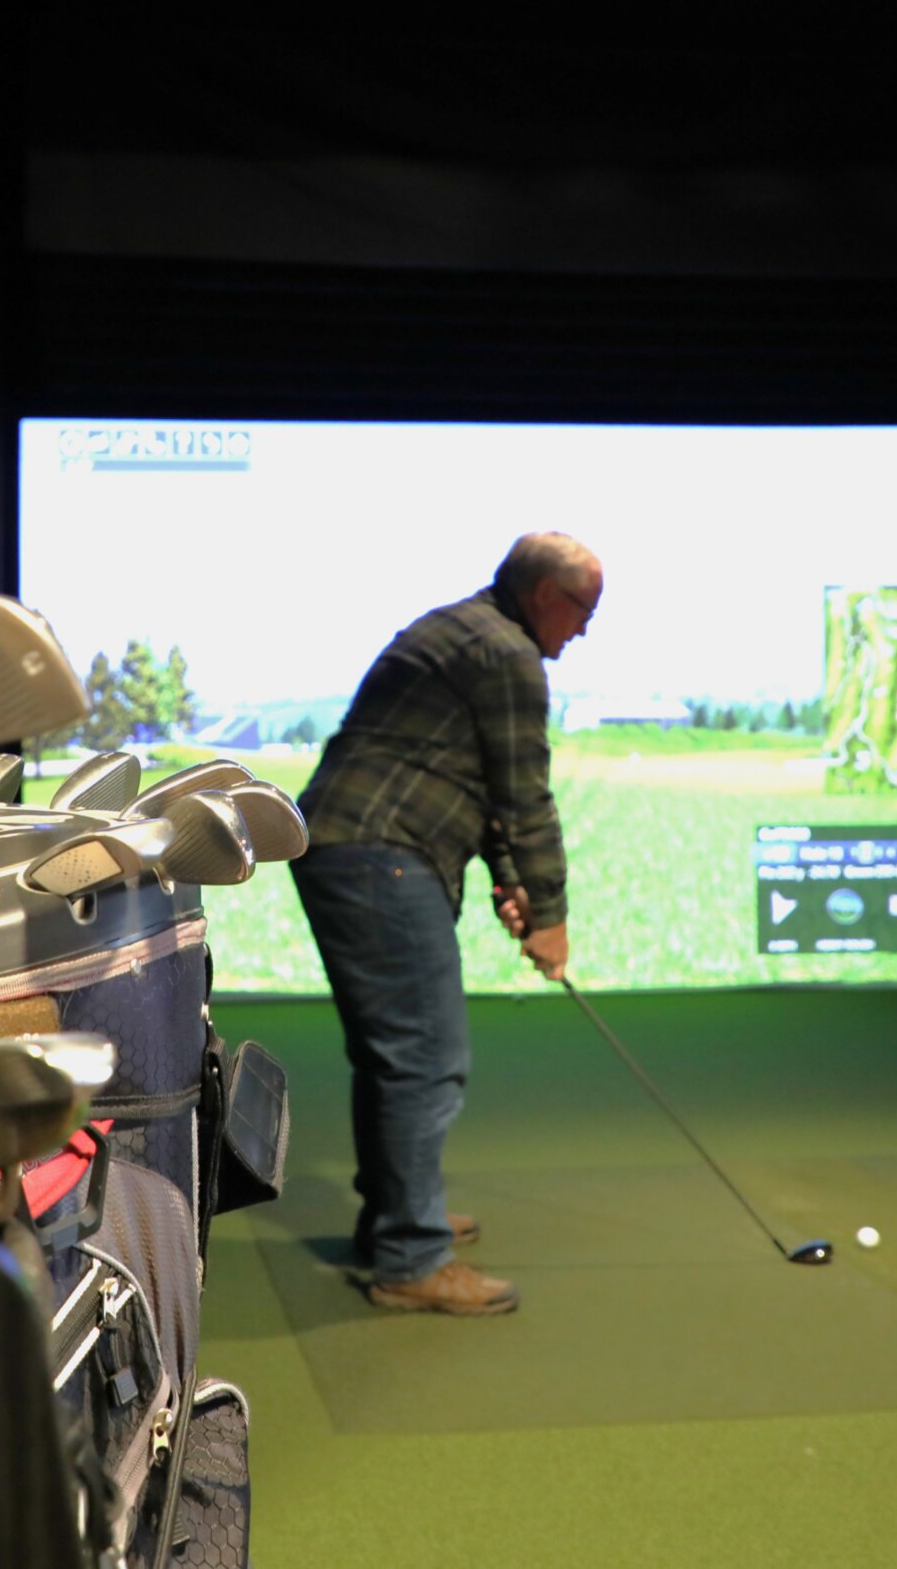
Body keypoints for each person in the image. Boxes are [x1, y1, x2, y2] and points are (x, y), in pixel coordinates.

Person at [290, 532, 602, 1316]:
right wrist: (551, 917)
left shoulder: (465, 628)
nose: (586, 628)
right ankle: (410, 1256)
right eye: (584, 609)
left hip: (349, 847)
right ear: (544, 595)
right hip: (379, 856)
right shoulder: (506, 652)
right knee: (425, 1056)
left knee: (393, 1054)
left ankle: (396, 1219)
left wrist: (508, 880)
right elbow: (525, 793)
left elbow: (481, 782)